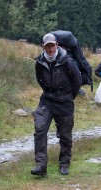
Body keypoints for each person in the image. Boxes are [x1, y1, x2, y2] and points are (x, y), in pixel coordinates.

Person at [31, 33, 82, 176]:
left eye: (52, 45)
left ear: (57, 45)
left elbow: (77, 81)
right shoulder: (40, 62)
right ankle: (41, 166)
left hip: (65, 101)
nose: (50, 49)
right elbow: (40, 80)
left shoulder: (67, 61)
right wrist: (49, 92)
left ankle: (64, 163)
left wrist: (69, 96)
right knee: (40, 129)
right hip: (47, 100)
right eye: (47, 46)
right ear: (43, 47)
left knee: (65, 135)